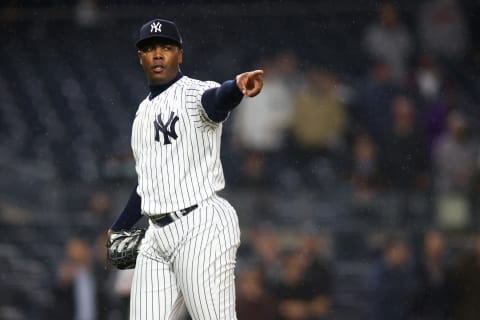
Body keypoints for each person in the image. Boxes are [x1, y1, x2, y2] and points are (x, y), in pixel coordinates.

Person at [107, 19, 264, 320]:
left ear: (180, 55)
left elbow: (216, 101)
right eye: (149, 49)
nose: (157, 55)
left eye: (166, 47)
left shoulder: (194, 93)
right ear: (140, 57)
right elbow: (146, 183)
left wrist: (237, 87)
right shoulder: (142, 113)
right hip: (155, 235)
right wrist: (120, 225)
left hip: (200, 224)